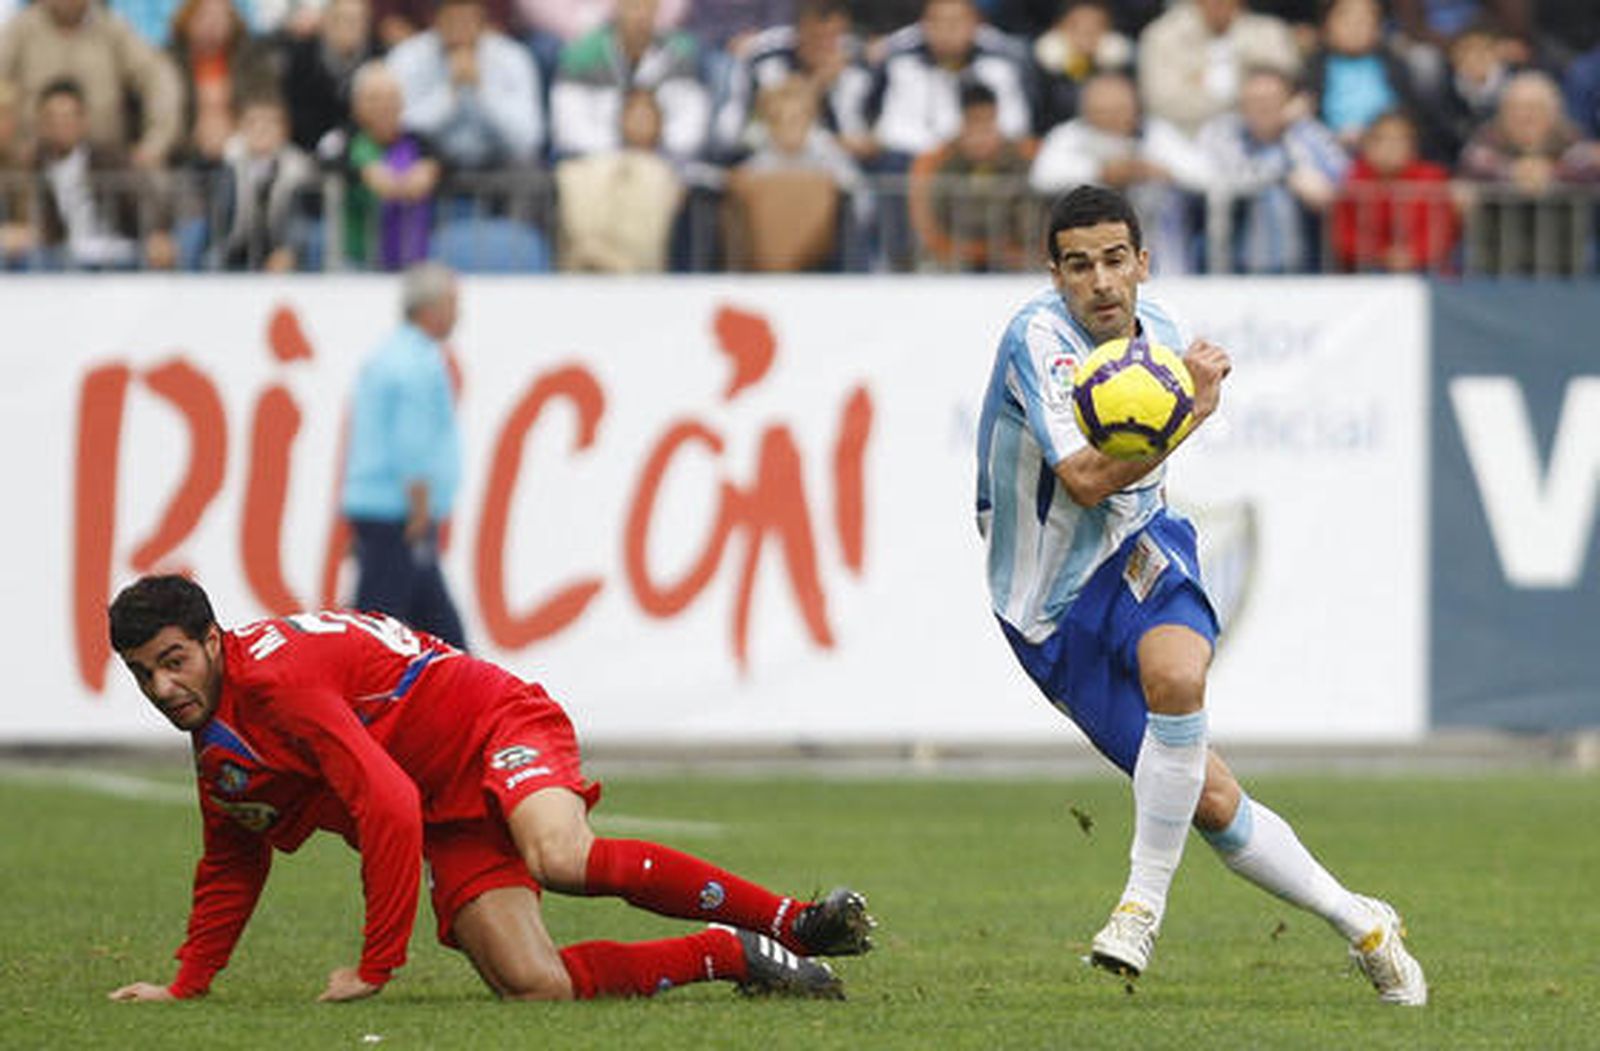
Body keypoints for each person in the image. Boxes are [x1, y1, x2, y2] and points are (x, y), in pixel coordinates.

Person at [973, 184, 1427, 1005]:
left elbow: (1121, 480)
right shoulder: (1036, 339)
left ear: (1143, 263)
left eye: (1116, 260)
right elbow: (1078, 481)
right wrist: (1196, 408)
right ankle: (1363, 922)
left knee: (1180, 679)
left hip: (1142, 548)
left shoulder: (1167, 333)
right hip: (1044, 607)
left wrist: (1185, 400)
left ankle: (1140, 908)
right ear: (1055, 275)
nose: (1101, 282)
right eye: (1079, 266)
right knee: (1212, 798)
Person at [104, 574, 874, 1003]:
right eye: (144, 672)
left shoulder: (277, 681)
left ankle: (795, 923)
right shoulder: (222, 749)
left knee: (558, 855)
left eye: (175, 660)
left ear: (213, 640)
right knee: (531, 984)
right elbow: (235, 860)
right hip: (444, 810)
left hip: (491, 725)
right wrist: (186, 983)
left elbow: (388, 805)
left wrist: (376, 964)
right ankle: (732, 955)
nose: (163, 685)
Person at [341, 262, 469, 649]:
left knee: (428, 625)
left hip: (381, 508)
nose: (457, 313)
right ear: (430, 309)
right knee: (378, 633)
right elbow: (411, 439)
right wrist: (419, 505)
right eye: (452, 303)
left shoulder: (389, 355)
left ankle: (469, 696)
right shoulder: (417, 362)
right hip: (397, 512)